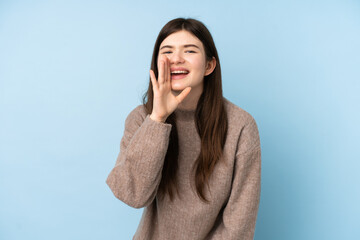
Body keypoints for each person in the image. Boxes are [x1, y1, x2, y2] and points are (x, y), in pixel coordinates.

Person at [106, 17, 261, 240]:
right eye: (167, 51)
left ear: (209, 65)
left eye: (189, 51)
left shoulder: (241, 125)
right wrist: (158, 119)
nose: (177, 59)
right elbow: (132, 195)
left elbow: (239, 226)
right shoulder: (141, 118)